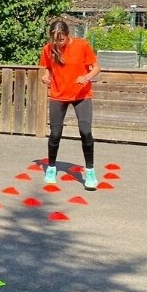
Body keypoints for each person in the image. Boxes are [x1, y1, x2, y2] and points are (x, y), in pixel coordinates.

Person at [39, 19, 101, 191]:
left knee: (85, 130)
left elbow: (96, 67)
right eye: (55, 39)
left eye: (61, 39)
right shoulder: (48, 49)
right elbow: (48, 68)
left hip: (81, 94)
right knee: (55, 133)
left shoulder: (82, 46)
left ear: (68, 35)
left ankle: (90, 171)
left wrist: (87, 77)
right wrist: (46, 76)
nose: (58, 43)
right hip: (59, 95)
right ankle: (51, 168)